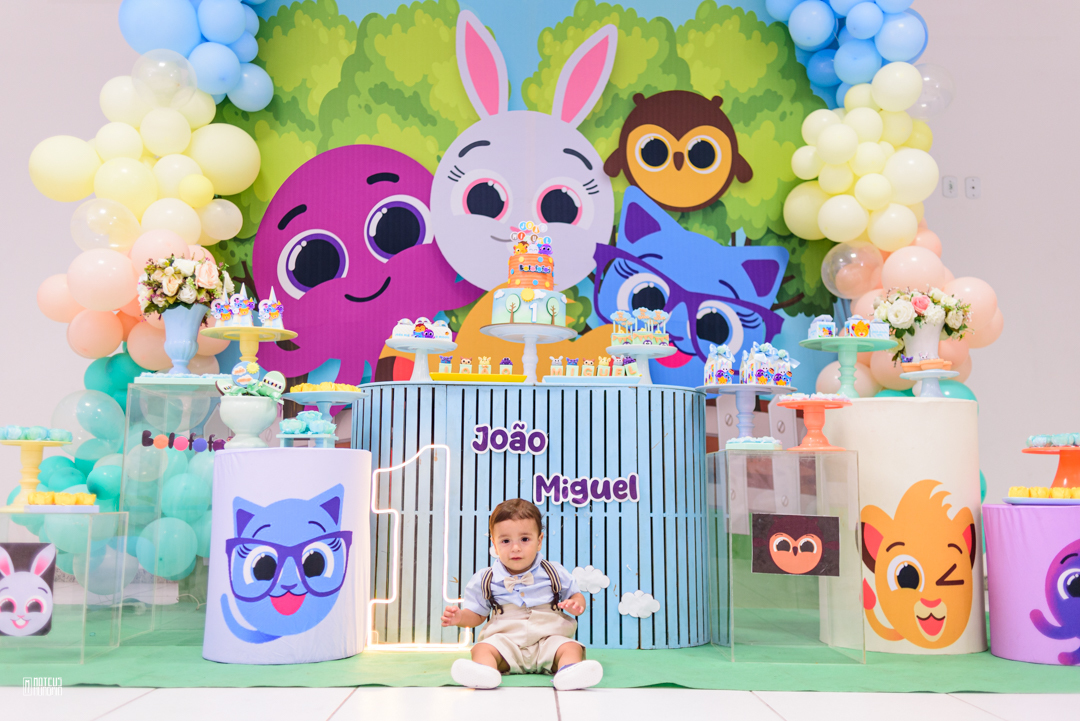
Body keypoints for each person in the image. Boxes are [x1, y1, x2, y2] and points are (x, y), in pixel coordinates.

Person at [442, 498, 603, 690]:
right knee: (482, 648)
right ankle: (485, 673)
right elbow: (477, 614)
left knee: (571, 647)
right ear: (494, 544)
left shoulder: (554, 572)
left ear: (539, 541)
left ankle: (569, 673)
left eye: (525, 539)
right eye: (505, 541)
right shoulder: (486, 579)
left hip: (548, 639)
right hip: (506, 643)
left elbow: (576, 596)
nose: (516, 548)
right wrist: (460, 617)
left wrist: (576, 604)